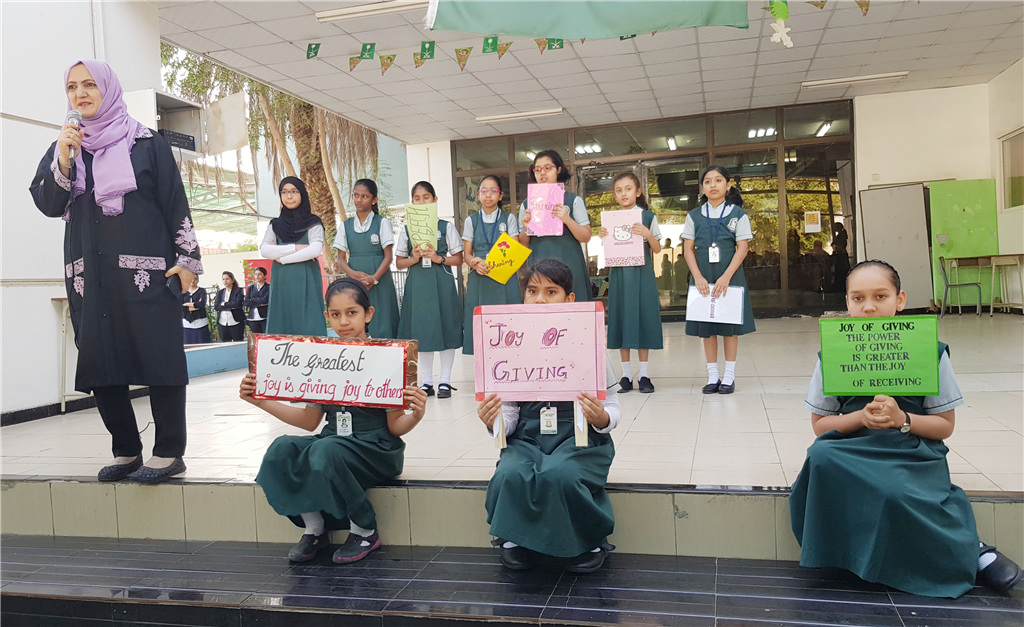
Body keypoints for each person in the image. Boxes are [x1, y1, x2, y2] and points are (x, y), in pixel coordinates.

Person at [790, 260, 1022, 597]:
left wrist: (903, 420)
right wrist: (861, 418)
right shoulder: (832, 354)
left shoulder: (930, 351)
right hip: (852, 447)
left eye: (880, 296)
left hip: (910, 447)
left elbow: (944, 426)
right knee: (821, 455)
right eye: (858, 298)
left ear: (900, 300)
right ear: (847, 303)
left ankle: (971, 549)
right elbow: (820, 425)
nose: (869, 307)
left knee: (893, 491)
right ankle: (845, 557)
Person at [30, 59, 200, 483]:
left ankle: (169, 451)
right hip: (90, 276)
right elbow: (49, 204)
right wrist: (64, 160)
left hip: (148, 275)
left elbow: (174, 201)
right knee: (100, 360)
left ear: (108, 88)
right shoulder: (65, 147)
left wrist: (186, 261)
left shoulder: (145, 142)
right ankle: (126, 450)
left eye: (89, 84)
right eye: (72, 87)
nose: (80, 93)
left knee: (160, 357)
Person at [241, 278, 428, 564]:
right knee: (282, 448)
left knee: (325, 449)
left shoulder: (386, 358)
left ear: (368, 314)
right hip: (332, 441)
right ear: (326, 316)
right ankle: (315, 528)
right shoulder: (322, 358)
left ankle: (364, 530)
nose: (344, 321)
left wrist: (416, 414)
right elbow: (309, 421)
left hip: (375, 448)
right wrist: (259, 400)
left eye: (352, 312)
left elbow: (394, 427)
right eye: (336, 314)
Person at [477, 259, 620, 573]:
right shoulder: (510, 346)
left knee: (561, 474)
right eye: (532, 291)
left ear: (570, 299)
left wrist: (600, 417)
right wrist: (494, 421)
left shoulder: (589, 343)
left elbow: (613, 408)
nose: (539, 299)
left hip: (579, 440)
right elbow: (509, 416)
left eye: (551, 291)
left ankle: (589, 540)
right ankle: (514, 539)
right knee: (510, 472)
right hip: (528, 438)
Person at [683, 165, 756, 395]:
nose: (712, 185)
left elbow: (742, 248)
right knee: (707, 327)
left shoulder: (738, 214)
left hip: (730, 276)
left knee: (729, 328)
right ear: (702, 187)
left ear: (728, 185)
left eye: (717, 180)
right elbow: (688, 249)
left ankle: (729, 377)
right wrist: (697, 276)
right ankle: (713, 376)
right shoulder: (694, 215)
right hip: (703, 277)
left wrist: (726, 276)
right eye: (707, 181)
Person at [395, 181, 464, 398]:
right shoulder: (407, 230)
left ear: (435, 200)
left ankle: (445, 381)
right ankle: (426, 382)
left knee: (447, 328)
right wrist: (413, 258)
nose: (422, 201)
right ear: (412, 202)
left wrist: (438, 258)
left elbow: (458, 258)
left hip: (442, 282)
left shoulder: (446, 227)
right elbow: (399, 263)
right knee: (421, 331)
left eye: (426, 197)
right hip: (417, 285)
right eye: (417, 198)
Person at [598, 173, 663, 394]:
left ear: (638, 192)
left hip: (642, 274)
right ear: (615, 195)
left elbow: (657, 249)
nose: (623, 193)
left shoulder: (648, 217)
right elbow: (609, 248)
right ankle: (625, 375)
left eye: (628, 189)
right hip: (619, 274)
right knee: (622, 318)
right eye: (619, 190)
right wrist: (603, 235)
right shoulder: (611, 219)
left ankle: (644, 374)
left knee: (643, 318)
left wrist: (647, 234)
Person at [517, 150, 592, 302]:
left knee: (572, 301)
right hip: (538, 260)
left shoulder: (572, 200)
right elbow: (523, 243)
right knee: (540, 301)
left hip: (568, 259)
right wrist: (526, 227)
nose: (542, 173)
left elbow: (586, 236)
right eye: (537, 169)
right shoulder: (527, 204)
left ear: (558, 169)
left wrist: (567, 219)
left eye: (547, 168)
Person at [462, 175, 522, 355]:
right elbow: (467, 254)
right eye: (484, 191)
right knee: (481, 325)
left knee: (508, 322)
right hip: (479, 277)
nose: (488, 195)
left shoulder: (509, 218)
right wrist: (474, 263)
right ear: (478, 195)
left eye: (493, 191)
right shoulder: (471, 220)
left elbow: (515, 248)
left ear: (500, 195)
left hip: (504, 276)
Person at [334, 179, 400, 340]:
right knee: (357, 318)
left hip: (380, 282)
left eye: (364, 196)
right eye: (356, 195)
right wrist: (355, 276)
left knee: (383, 321)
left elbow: (388, 256)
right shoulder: (345, 226)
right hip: (354, 284)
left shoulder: (382, 223)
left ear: (374, 200)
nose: (359, 200)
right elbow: (341, 260)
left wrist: (374, 278)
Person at [261, 178, 326, 336]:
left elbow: (314, 250)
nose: (289, 196)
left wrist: (282, 258)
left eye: (294, 191)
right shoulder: (275, 225)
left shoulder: (313, 222)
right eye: (284, 192)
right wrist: (297, 247)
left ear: (302, 193)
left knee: (309, 319)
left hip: (306, 277)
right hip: (281, 279)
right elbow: (265, 250)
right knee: (281, 319)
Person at [215, 271, 244, 342]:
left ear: (232, 280)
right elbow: (216, 306)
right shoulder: (220, 292)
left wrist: (224, 304)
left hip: (235, 321)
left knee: (238, 341)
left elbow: (237, 304)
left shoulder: (238, 291)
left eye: (227, 279)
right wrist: (231, 306)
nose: (225, 281)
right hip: (223, 321)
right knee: (225, 342)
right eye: (223, 279)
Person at [182, 275, 210, 344]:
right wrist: (195, 306)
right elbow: (181, 307)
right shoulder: (183, 291)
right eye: (191, 279)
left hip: (200, 323)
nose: (193, 281)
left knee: (202, 344)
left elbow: (201, 304)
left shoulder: (202, 291)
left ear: (198, 280)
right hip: (186, 324)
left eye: (195, 279)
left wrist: (187, 304)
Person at [244, 267, 270, 334]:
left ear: (265, 276)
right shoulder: (251, 288)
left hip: (265, 317)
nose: (257, 276)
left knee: (266, 336)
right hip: (253, 317)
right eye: (255, 274)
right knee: (256, 337)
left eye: (260, 274)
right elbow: (246, 302)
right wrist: (259, 304)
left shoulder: (269, 287)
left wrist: (252, 299)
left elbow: (265, 300)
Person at [832, 221, 850, 293]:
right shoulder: (840, 235)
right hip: (840, 255)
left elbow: (840, 246)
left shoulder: (841, 236)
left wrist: (835, 246)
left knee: (841, 273)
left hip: (841, 256)